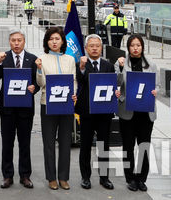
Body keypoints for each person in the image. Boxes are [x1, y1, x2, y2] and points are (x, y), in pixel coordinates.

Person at [0, 31, 39, 189]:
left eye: (19, 40)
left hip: (25, 108)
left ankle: (25, 175)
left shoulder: (32, 59)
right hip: (7, 108)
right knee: (7, 143)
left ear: (24, 41)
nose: (16, 43)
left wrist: (35, 87)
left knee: (25, 143)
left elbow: (38, 80)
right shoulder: (3, 57)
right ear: (9, 42)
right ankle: (7, 175)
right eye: (13, 40)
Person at [35, 27, 77, 191]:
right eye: (51, 39)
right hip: (48, 105)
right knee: (49, 143)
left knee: (66, 143)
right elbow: (41, 83)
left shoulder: (70, 60)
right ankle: (51, 178)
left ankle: (63, 177)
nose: (54, 41)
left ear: (62, 41)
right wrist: (39, 69)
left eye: (57, 39)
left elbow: (73, 81)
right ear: (47, 41)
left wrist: (73, 95)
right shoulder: (42, 59)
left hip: (66, 106)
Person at [116, 34, 158, 192]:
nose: (135, 48)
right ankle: (130, 178)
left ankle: (141, 178)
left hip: (146, 113)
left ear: (142, 47)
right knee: (128, 146)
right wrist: (120, 69)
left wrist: (155, 91)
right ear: (128, 47)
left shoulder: (151, 65)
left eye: (138, 45)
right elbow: (117, 83)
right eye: (132, 45)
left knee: (144, 146)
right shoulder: (121, 63)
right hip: (127, 111)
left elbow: (158, 86)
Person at [76, 34, 117, 190]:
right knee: (85, 145)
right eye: (91, 45)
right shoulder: (80, 65)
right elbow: (81, 81)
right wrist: (81, 68)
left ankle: (104, 177)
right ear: (86, 49)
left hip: (104, 112)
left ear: (101, 47)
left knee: (103, 145)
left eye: (97, 45)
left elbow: (112, 86)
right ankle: (85, 177)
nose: (94, 48)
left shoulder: (108, 65)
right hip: (86, 112)